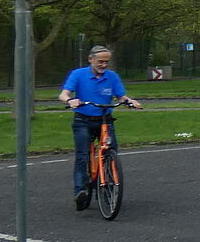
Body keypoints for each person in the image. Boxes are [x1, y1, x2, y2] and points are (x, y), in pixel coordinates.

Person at [58, 46, 141, 211]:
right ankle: (80, 191)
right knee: (82, 155)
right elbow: (63, 94)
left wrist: (130, 101)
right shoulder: (78, 74)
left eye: (106, 62)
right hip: (83, 120)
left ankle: (108, 186)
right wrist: (70, 100)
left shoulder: (112, 77)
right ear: (91, 59)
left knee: (111, 152)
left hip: (105, 120)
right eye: (100, 61)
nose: (103, 65)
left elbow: (121, 96)